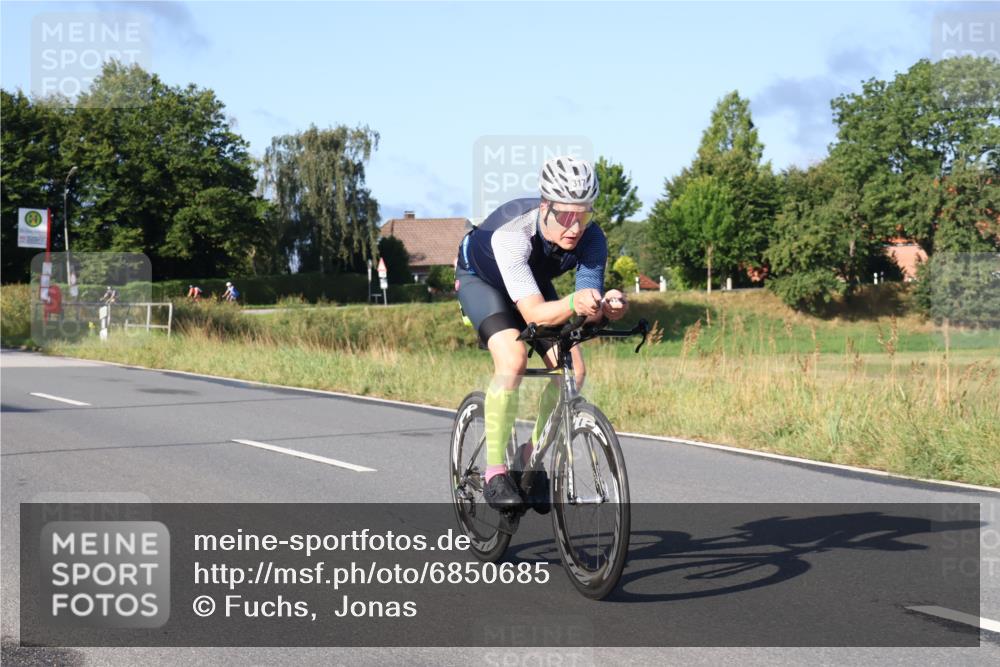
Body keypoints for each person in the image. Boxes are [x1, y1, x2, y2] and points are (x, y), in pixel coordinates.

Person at [455, 156, 628, 511]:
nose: (575, 227)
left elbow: (585, 305)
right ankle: (494, 473)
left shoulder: (593, 239)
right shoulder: (513, 235)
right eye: (566, 216)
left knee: (574, 371)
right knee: (513, 359)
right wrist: (575, 302)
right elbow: (534, 314)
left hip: (530, 283)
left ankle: (529, 457)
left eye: (584, 216)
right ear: (545, 206)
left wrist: (607, 305)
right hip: (482, 282)